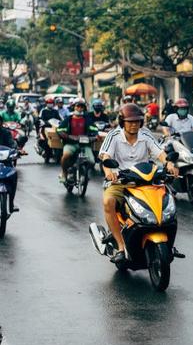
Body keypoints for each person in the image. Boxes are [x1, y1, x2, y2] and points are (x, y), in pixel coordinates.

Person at [100, 104, 178, 264]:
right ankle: (121, 247)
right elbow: (105, 156)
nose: (134, 124)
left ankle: (169, 243)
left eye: (137, 121)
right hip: (121, 181)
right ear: (122, 121)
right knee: (108, 202)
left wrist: (169, 163)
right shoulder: (114, 135)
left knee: (167, 202)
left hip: (146, 180)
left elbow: (160, 153)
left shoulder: (146, 135)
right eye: (130, 121)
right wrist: (109, 172)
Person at [57, 98, 98, 183]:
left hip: (85, 144)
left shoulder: (87, 119)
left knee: (92, 161)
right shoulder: (69, 119)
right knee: (65, 156)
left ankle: (85, 173)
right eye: (78, 106)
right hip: (71, 143)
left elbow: (94, 129)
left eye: (82, 106)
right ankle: (64, 173)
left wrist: (94, 137)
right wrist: (68, 136)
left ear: (84, 108)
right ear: (74, 107)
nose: (80, 108)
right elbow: (59, 130)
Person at [0, 114, 22, 211]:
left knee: (13, 175)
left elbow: (12, 143)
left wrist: (17, 150)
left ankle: (11, 204)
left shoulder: (6, 133)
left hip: (4, 161)